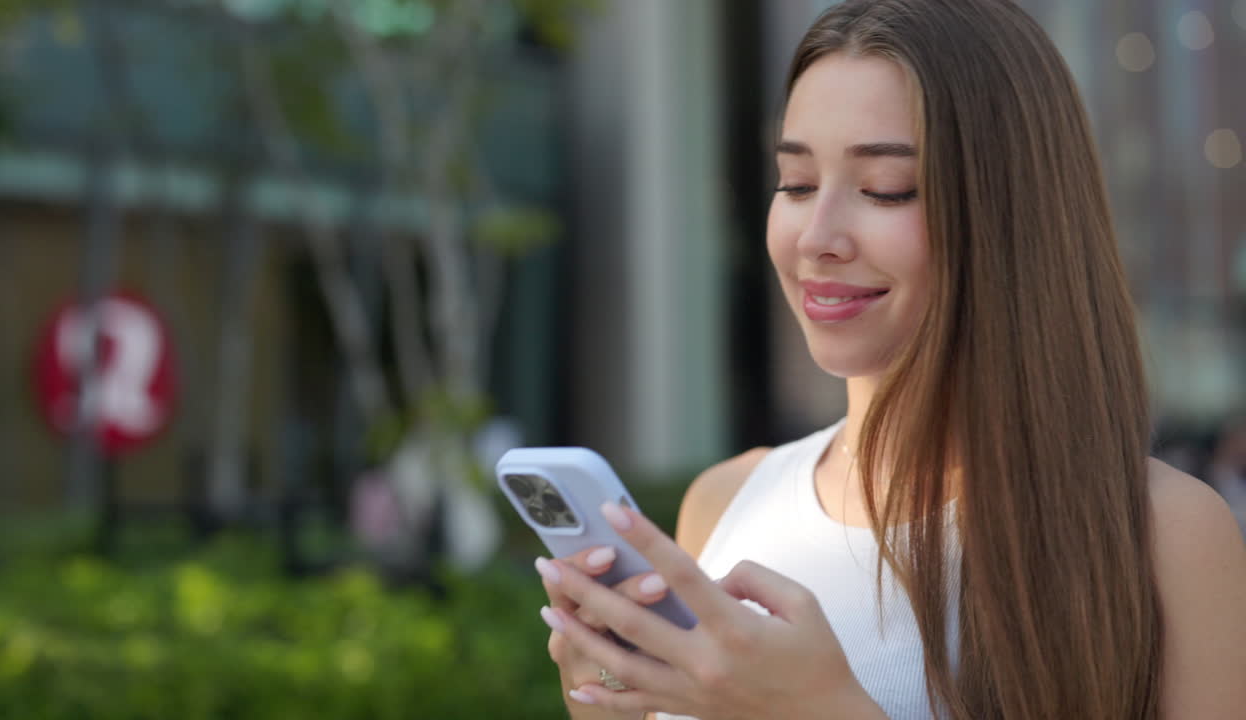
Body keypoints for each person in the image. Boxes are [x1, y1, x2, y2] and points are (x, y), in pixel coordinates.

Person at [534, 1, 1246, 718]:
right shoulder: (722, 504)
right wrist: (607, 698)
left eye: (885, 189)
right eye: (797, 183)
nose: (817, 237)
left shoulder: (1161, 534)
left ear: (1010, 212)